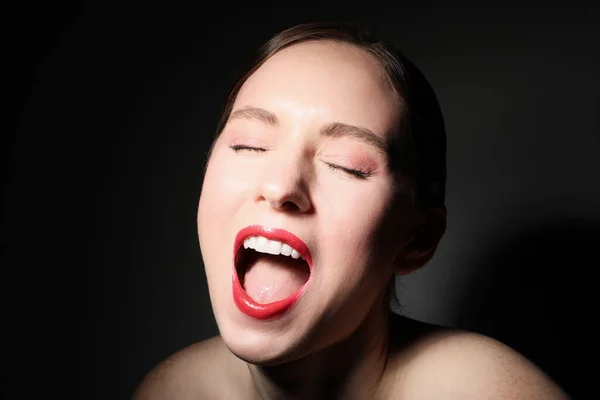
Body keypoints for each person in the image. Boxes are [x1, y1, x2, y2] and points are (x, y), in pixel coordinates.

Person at [133, 22, 568, 399]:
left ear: (415, 239)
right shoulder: (172, 390)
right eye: (250, 144)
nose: (282, 186)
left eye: (346, 165)